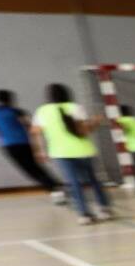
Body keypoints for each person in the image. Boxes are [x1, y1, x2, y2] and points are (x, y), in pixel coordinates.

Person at [31, 84, 113, 224]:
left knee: (74, 183)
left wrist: (40, 151)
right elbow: (83, 131)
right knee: (93, 180)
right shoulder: (74, 107)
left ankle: (84, 214)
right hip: (83, 150)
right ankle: (104, 209)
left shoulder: (42, 111)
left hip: (60, 152)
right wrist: (95, 121)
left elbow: (35, 133)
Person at [0, 89, 62, 202]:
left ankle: (54, 189)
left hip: (9, 145)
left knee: (30, 170)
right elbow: (31, 128)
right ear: (10, 99)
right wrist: (38, 148)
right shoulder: (17, 111)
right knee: (35, 167)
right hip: (24, 143)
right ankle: (55, 186)